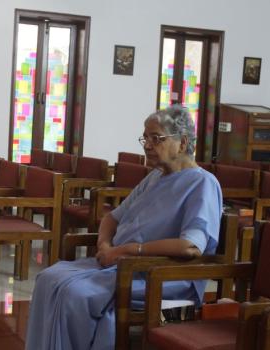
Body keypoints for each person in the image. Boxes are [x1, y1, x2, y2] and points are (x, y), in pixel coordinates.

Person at [25, 105, 223, 350]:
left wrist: (128, 250)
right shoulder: (155, 177)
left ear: (182, 143)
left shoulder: (203, 183)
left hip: (161, 278)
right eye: (145, 138)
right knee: (48, 279)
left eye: (156, 138)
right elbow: (113, 218)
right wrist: (105, 245)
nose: (147, 145)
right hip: (121, 265)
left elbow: (190, 246)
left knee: (76, 295)